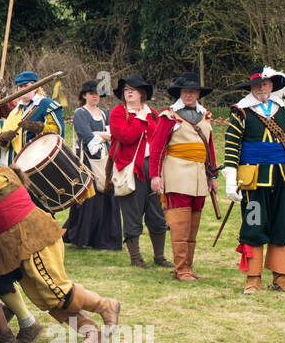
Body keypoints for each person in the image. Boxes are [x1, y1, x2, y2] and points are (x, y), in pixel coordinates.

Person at [0, 136, 121, 343]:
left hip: (34, 238)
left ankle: (105, 305)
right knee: (45, 297)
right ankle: (91, 332)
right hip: (18, 244)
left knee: (56, 290)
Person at [222, 68, 285, 293]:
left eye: (266, 84)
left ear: (272, 86)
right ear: (252, 87)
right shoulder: (241, 111)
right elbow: (232, 146)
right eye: (258, 84)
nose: (262, 88)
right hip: (254, 181)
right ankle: (253, 278)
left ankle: (280, 277)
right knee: (254, 224)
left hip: (282, 179)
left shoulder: (284, 109)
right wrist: (231, 177)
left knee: (282, 224)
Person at [148, 73, 219, 280]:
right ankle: (180, 269)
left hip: (199, 176)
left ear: (198, 93)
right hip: (177, 174)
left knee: (193, 224)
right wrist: (155, 176)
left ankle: (188, 266)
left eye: (193, 91)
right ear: (180, 93)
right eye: (185, 91)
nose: (189, 95)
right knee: (180, 224)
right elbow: (157, 148)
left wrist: (212, 176)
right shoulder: (168, 117)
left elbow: (210, 148)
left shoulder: (205, 116)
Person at [110, 73, 169, 268]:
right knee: (132, 214)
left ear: (142, 93)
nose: (129, 93)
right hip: (129, 169)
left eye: (133, 90)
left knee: (156, 213)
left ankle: (159, 257)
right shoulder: (118, 113)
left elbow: (158, 140)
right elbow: (126, 136)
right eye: (126, 90)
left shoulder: (152, 113)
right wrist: (140, 120)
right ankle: (136, 258)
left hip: (151, 167)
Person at [63, 79, 122, 251]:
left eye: (97, 94)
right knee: (89, 198)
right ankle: (81, 237)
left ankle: (105, 238)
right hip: (87, 161)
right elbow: (86, 136)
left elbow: (114, 134)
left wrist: (101, 134)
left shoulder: (105, 113)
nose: (94, 96)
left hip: (105, 161)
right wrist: (103, 135)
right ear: (85, 96)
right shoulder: (80, 113)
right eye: (91, 94)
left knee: (107, 195)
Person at [0, 70, 63, 161]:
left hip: (40, 159)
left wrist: (36, 127)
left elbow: (58, 131)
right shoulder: (14, 113)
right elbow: (4, 147)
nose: (23, 89)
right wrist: (4, 139)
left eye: (26, 86)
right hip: (16, 162)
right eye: (20, 86)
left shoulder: (47, 105)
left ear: (35, 87)